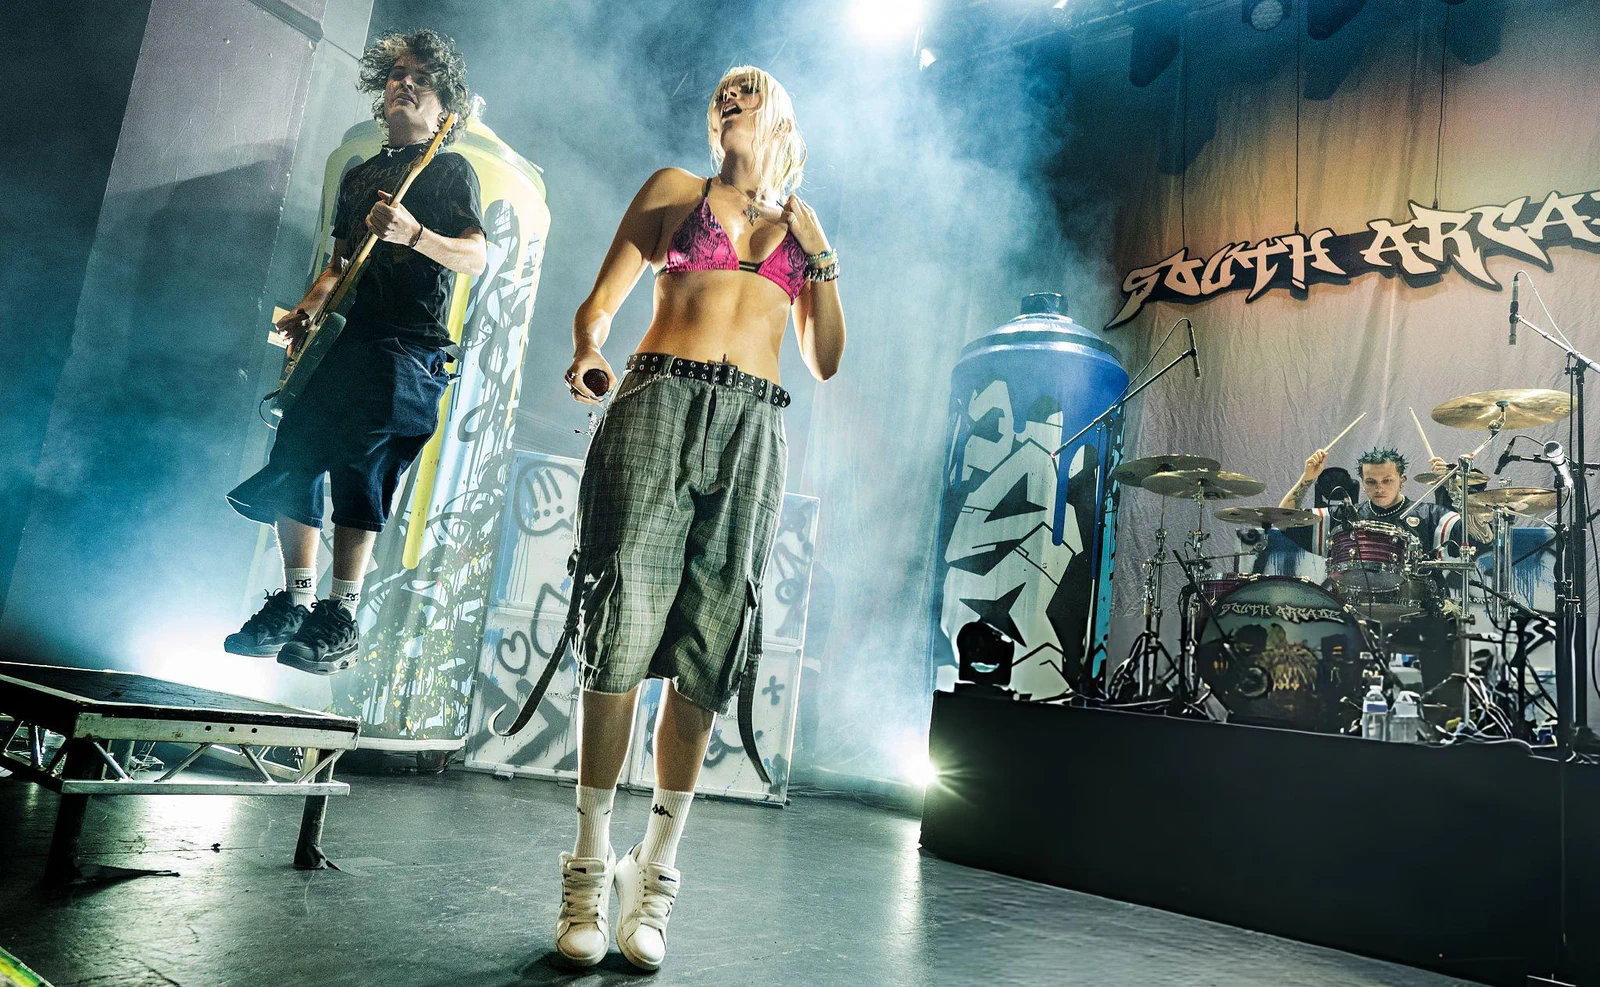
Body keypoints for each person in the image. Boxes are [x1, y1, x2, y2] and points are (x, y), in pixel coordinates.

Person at [554, 66, 844, 971]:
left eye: (750, 91)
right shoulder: (675, 192)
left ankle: (654, 871)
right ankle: (588, 863)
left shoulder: (801, 229)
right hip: (658, 399)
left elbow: (826, 359)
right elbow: (599, 305)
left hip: (756, 423)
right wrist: (590, 352)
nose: (732, 97)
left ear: (781, 117)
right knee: (621, 626)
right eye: (724, 92)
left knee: (711, 645)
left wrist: (822, 255)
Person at [223, 29, 485, 674]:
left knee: (361, 466)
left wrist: (415, 233)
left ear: (444, 104)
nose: (404, 84)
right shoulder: (361, 174)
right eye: (397, 74)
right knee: (294, 455)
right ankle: (295, 601)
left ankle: (340, 612)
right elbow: (337, 266)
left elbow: (476, 257)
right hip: (340, 340)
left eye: (421, 78)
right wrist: (307, 310)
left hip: (404, 346)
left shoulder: (449, 170)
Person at [1279, 446, 1488, 556]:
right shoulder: (1347, 516)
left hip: (1419, 612)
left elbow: (1482, 537)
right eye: (1371, 481)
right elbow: (1284, 521)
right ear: (1362, 482)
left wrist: (1457, 484)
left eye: (1387, 481)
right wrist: (1307, 477)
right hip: (1357, 609)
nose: (1379, 488)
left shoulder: (1430, 515)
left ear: (1402, 480)